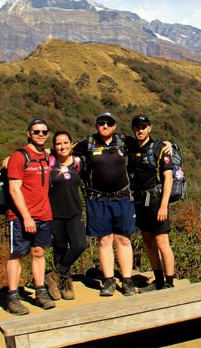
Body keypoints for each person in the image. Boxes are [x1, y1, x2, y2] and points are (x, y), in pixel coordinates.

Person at [72, 111, 137, 297]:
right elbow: (63, 149)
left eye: (109, 123)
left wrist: (166, 145)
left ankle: (127, 280)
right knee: (104, 240)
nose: (105, 126)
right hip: (97, 199)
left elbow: (146, 144)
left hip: (122, 197)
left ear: (115, 126)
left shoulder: (124, 142)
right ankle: (108, 280)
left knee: (124, 239)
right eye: (102, 123)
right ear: (96, 125)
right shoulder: (87, 143)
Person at [4, 119, 56, 315]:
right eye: (36, 131)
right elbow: (14, 189)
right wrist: (26, 217)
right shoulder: (19, 156)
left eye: (44, 131)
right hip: (21, 216)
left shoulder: (46, 156)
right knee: (17, 254)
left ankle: (40, 291)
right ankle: (13, 296)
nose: (40, 134)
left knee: (38, 253)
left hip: (44, 213)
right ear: (28, 133)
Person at [127, 114, 177, 290]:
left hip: (156, 200)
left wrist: (164, 205)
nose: (140, 130)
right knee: (148, 240)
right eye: (137, 127)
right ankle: (158, 280)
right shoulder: (130, 146)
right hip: (140, 200)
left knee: (162, 241)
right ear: (133, 129)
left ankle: (169, 282)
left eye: (143, 127)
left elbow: (168, 178)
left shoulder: (159, 149)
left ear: (150, 128)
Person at [44, 131, 88, 301]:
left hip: (74, 212)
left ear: (71, 144)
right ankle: (65, 281)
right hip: (54, 213)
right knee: (60, 248)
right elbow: (29, 156)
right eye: (58, 144)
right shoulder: (49, 162)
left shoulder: (78, 163)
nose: (62, 146)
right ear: (54, 146)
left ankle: (54, 275)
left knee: (80, 245)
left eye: (65, 143)